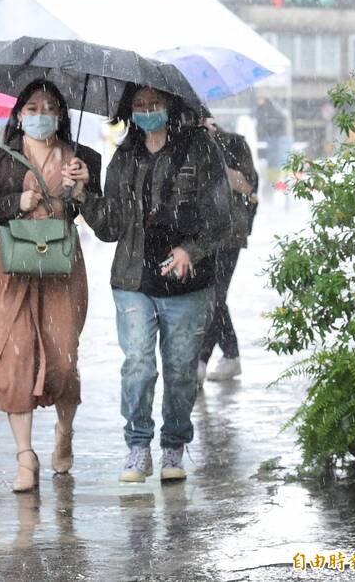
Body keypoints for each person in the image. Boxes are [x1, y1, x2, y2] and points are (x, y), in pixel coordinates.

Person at [64, 85, 230, 483]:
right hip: (132, 280)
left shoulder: (200, 149)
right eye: (139, 105)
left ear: (170, 105)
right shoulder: (124, 157)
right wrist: (85, 192)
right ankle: (137, 447)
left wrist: (192, 249)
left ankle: (174, 446)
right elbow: (111, 226)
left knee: (179, 371)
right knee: (138, 365)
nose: (148, 110)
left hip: (187, 284)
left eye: (155, 102)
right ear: (129, 111)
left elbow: (222, 216)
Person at [0, 79, 102, 493]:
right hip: (12, 270)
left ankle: (64, 430)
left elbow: (104, 219)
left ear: (61, 115)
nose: (41, 115)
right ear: (19, 114)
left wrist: (81, 188)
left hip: (61, 268)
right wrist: (14, 204)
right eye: (33, 107)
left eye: (49, 108)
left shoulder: (83, 157)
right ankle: (25, 456)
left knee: (62, 361)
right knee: (14, 361)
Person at [197, 120, 259, 383]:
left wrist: (215, 159)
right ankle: (230, 356)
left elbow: (247, 185)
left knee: (214, 295)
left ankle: (201, 361)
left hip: (228, 234)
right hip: (196, 237)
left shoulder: (233, 143)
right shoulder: (183, 146)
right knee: (208, 296)